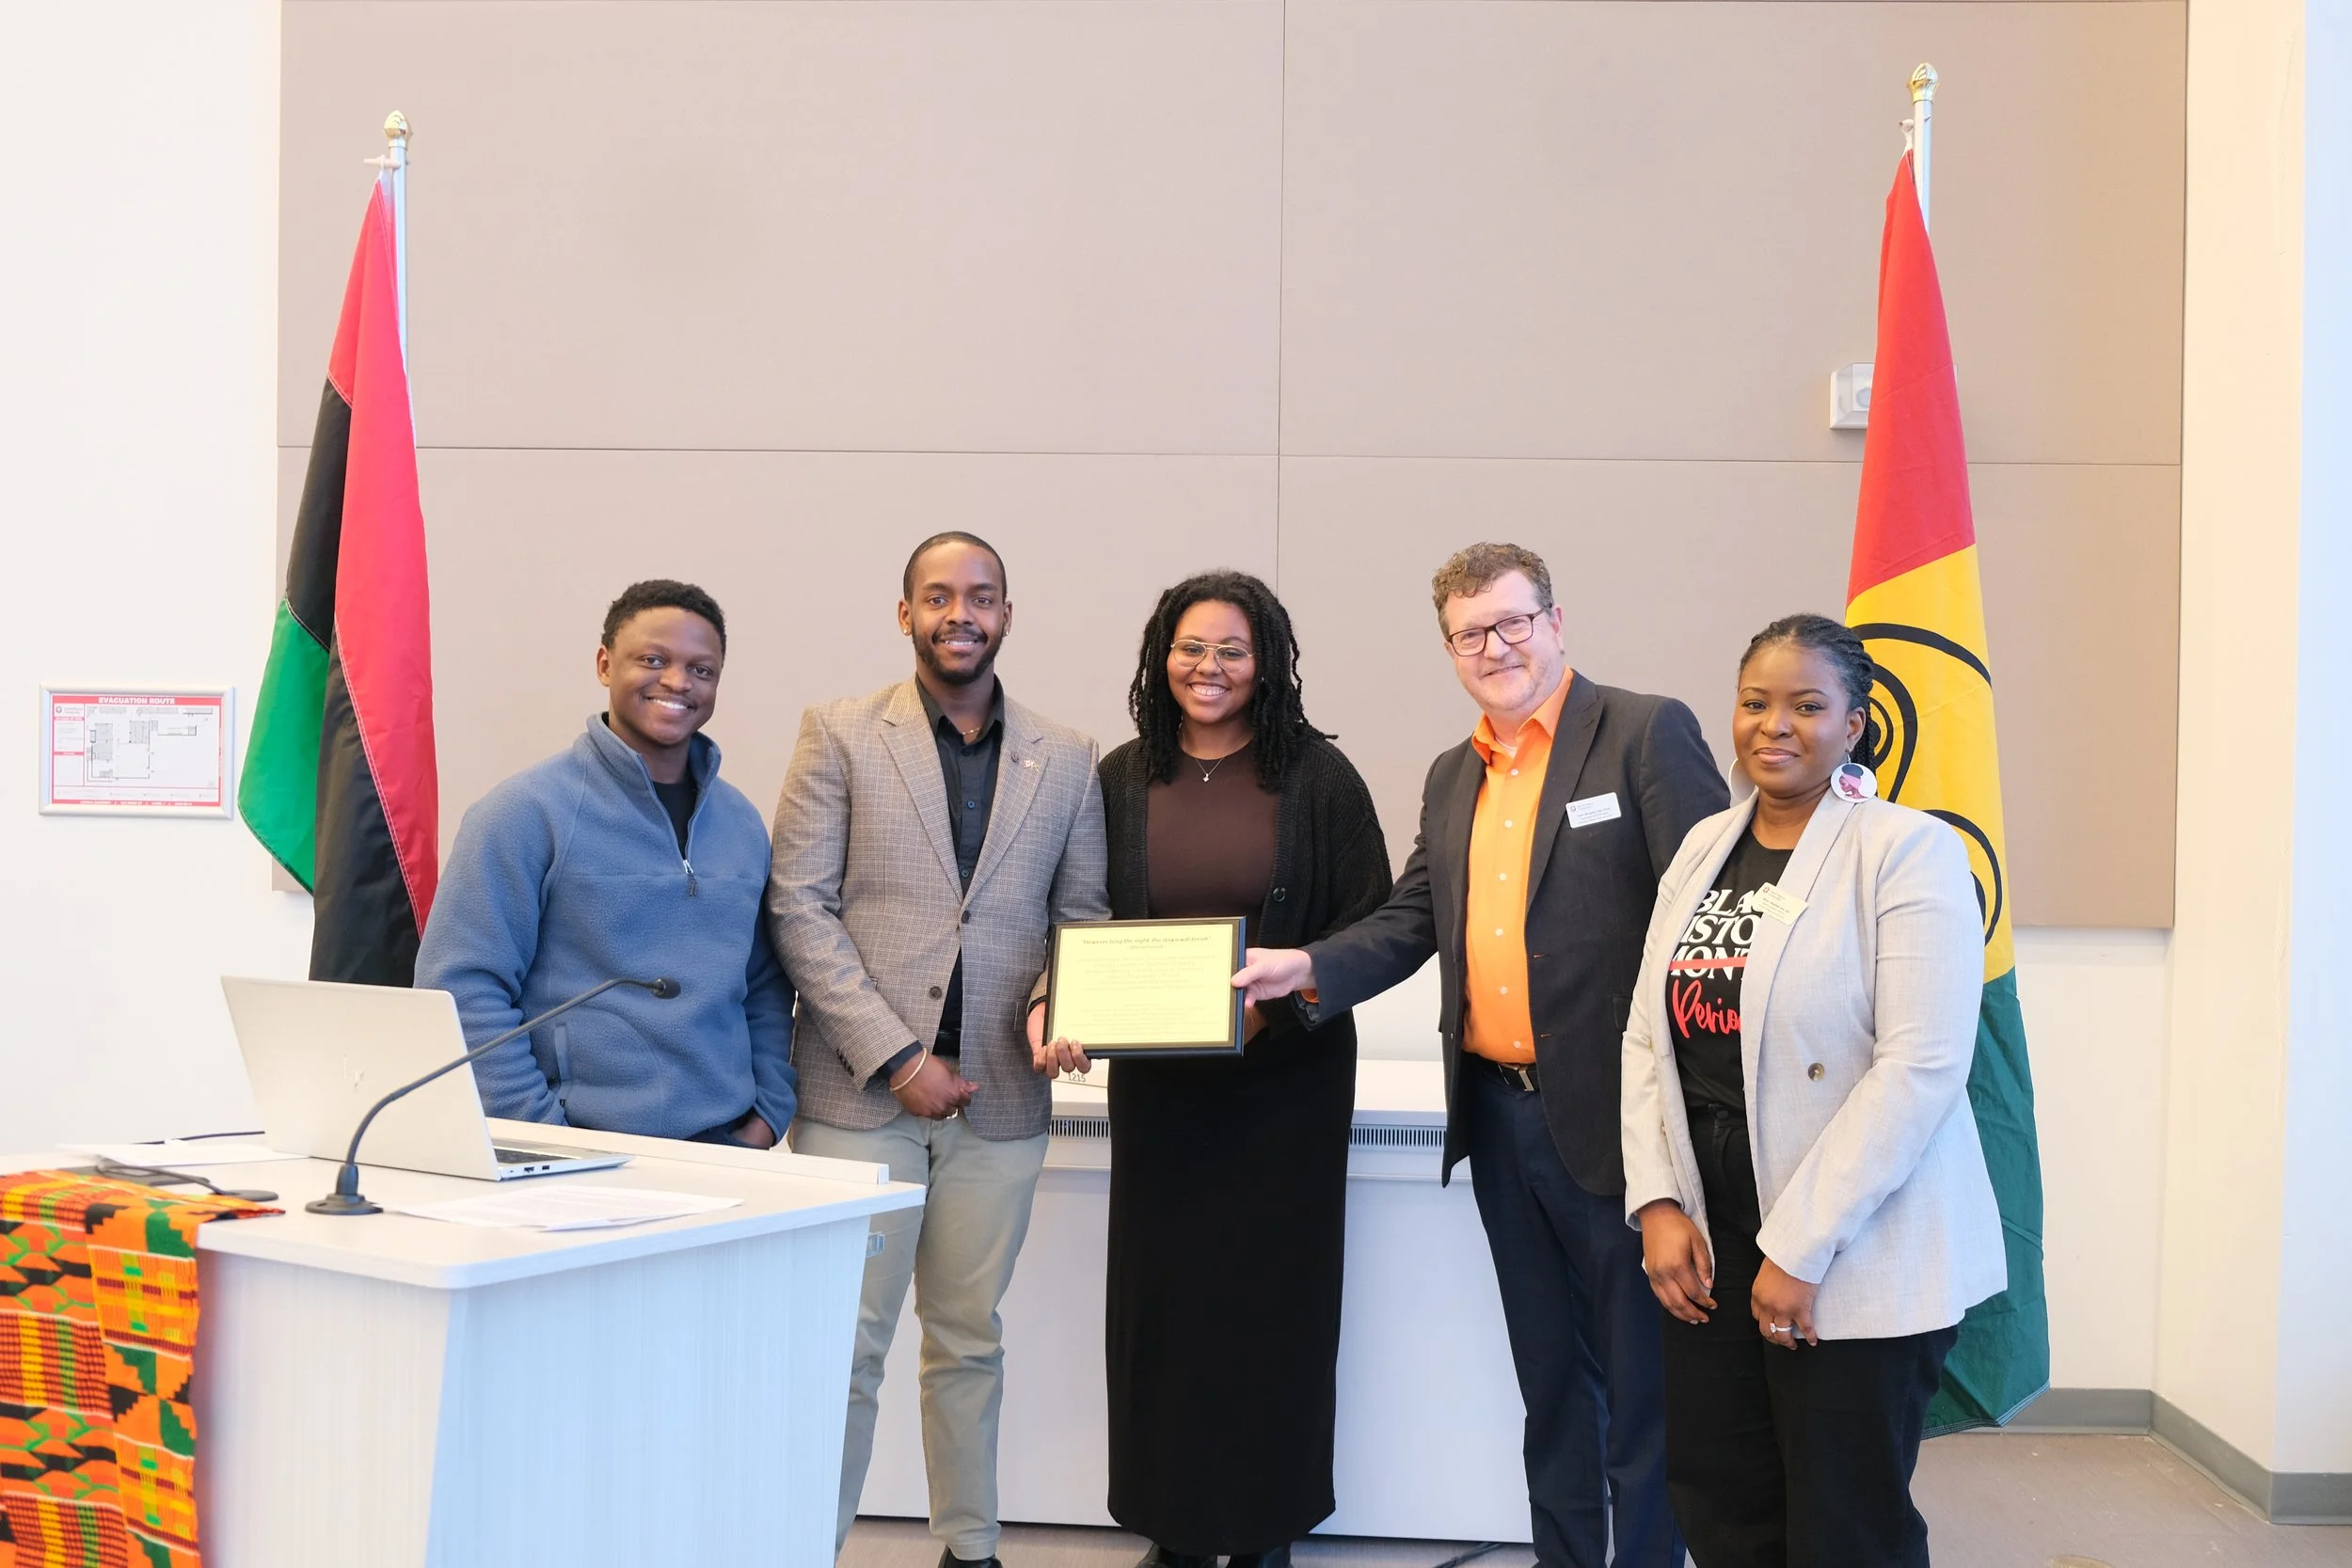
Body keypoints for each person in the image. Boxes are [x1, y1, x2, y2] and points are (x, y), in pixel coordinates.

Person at [1234, 542, 1726, 1568]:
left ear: (1555, 621)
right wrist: (1308, 966)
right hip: (1501, 1120)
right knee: (1551, 1385)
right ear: (1450, 649)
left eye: (1512, 622)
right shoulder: (1453, 773)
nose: (1495, 647)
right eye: (1470, 634)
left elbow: (1709, 919)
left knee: (1646, 1393)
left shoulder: (1643, 732)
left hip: (1624, 1122)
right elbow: (1415, 914)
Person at [1620, 612, 2005, 1567]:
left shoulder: (1907, 850)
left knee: (1846, 1524)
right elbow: (1645, 1036)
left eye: (1806, 705)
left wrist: (1797, 1244)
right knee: (1723, 1500)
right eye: (1755, 702)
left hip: (1852, 1237)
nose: (1774, 725)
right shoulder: (1703, 845)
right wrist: (1657, 1200)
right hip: (1709, 1234)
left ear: (1854, 723)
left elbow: (1919, 1066)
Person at [1029, 571, 1391, 1568]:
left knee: (1276, 1311)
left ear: (1266, 662)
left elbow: (1374, 922)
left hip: (1287, 1094)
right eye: (1191, 647)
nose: (1209, 667)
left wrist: (1287, 990)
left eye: (1233, 648)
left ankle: (1266, 1529)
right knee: (1166, 1315)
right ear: (1162, 658)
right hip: (1164, 1098)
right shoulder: (1120, 775)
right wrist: (1057, 1002)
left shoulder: (1318, 777)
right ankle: (1180, 1529)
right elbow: (1079, 910)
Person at [769, 531, 1109, 1568]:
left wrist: (1055, 1004)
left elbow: (1080, 917)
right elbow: (799, 907)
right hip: (857, 1101)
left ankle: (972, 1547)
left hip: (1001, 1102)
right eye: (939, 595)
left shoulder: (1068, 754)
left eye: (982, 595)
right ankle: (805, 1546)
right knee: (845, 1349)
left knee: (968, 1339)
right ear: (905, 611)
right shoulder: (838, 732)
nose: (961, 613)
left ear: (1007, 613)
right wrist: (899, 1058)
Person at [416, 578, 797, 1146]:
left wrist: (768, 1112)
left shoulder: (741, 823)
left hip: (726, 1151)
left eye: (701, 669)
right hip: (578, 1147)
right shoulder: (525, 812)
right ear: (604, 665)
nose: (677, 682)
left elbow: (763, 984)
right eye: (653, 660)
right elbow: (461, 987)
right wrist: (543, 1135)